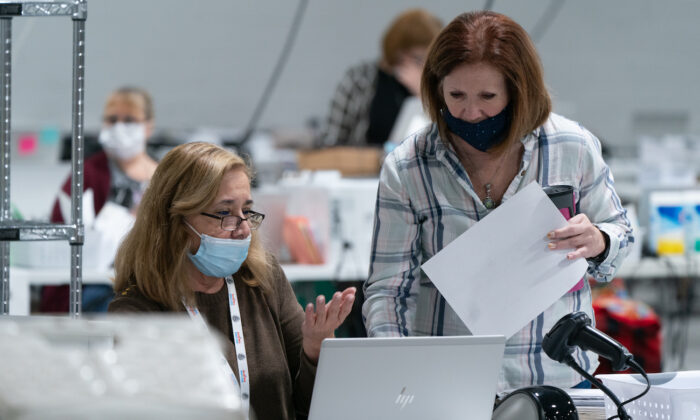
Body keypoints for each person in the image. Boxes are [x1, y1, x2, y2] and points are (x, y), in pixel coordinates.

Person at [362, 11, 633, 392]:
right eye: (456, 95)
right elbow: (388, 291)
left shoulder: (572, 147)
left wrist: (600, 241)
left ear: (518, 90)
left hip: (557, 380)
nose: (471, 113)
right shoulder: (409, 167)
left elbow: (621, 237)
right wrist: (400, 370)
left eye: (488, 97)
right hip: (449, 387)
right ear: (436, 88)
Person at [108, 142, 356, 420]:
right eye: (225, 213)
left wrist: (315, 352)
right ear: (175, 221)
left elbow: (308, 407)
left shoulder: (262, 279)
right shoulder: (137, 312)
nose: (243, 229)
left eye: (246, 211)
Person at [40, 87, 160, 313]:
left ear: (148, 126)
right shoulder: (87, 174)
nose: (119, 127)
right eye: (112, 119)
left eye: (130, 120)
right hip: (99, 285)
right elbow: (59, 233)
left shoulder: (165, 177)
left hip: (154, 282)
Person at [317, 8, 442, 147]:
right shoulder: (359, 80)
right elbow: (328, 142)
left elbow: (446, 140)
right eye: (419, 59)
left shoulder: (434, 84)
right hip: (363, 165)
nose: (425, 66)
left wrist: (423, 94)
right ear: (399, 52)